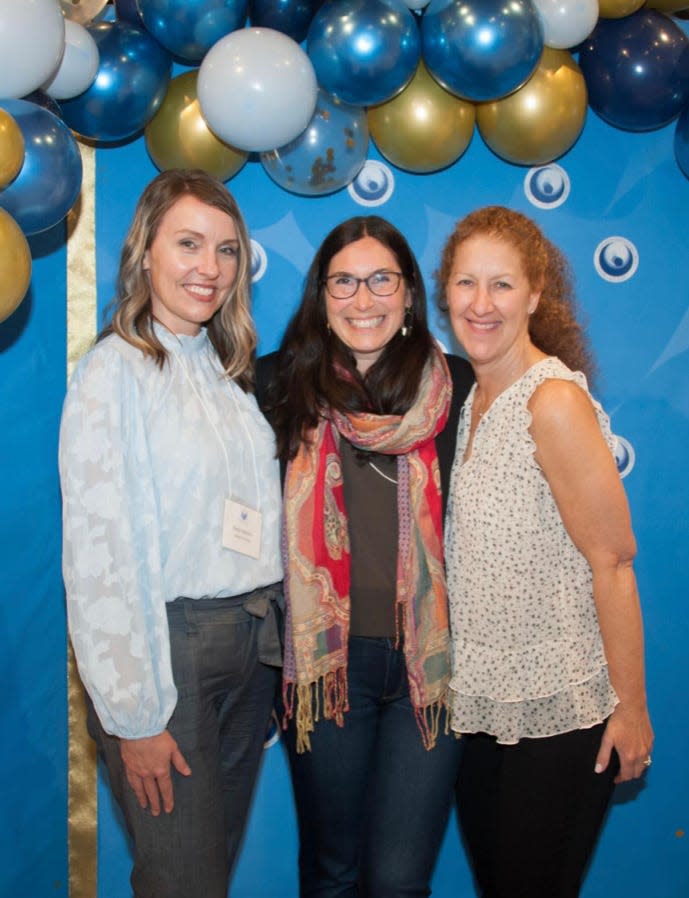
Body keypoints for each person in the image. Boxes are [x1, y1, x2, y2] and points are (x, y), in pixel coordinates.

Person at [59, 169, 283, 898]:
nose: (208, 268)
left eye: (225, 251)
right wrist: (133, 716)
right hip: (167, 660)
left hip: (250, 650)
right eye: (188, 244)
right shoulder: (111, 374)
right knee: (183, 883)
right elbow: (101, 556)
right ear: (144, 252)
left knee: (202, 878)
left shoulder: (227, 374)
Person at [436, 206, 654, 898]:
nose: (480, 303)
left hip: (561, 712)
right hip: (480, 709)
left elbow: (612, 562)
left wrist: (631, 709)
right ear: (444, 293)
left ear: (534, 294)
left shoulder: (552, 401)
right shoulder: (466, 400)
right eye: (465, 283)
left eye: (501, 285)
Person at [256, 215, 474, 897]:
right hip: (329, 669)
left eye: (381, 280)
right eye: (343, 282)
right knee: (333, 869)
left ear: (409, 294)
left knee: (400, 879)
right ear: (320, 299)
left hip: (430, 667)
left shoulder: (460, 390)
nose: (363, 299)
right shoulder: (272, 388)